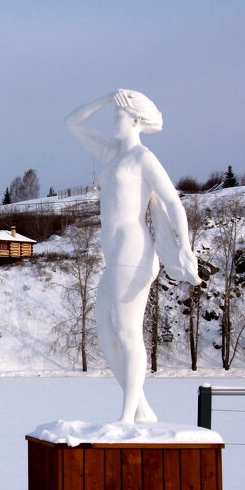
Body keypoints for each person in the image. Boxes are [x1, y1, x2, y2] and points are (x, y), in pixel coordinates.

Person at [64, 89, 201, 423]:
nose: (113, 119)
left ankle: (128, 416)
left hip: (134, 250)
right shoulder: (111, 154)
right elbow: (72, 122)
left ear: (136, 120)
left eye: (119, 114)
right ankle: (142, 410)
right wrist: (108, 97)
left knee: (127, 331)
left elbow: (172, 202)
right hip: (113, 255)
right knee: (105, 331)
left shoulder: (144, 158)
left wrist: (184, 246)